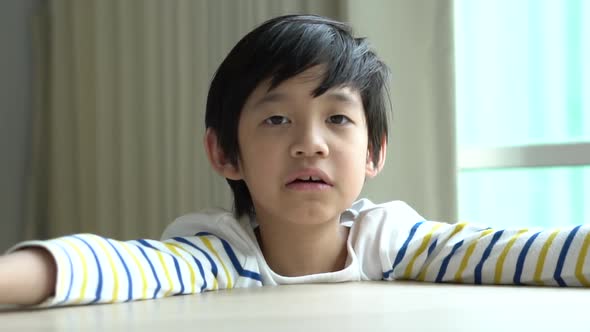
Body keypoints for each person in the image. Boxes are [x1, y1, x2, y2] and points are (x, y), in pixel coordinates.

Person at [1, 14, 589, 308]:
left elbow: (519, 252)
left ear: (374, 152)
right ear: (225, 153)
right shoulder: (216, 254)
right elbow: (114, 265)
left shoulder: (395, 242)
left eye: (337, 119)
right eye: (276, 120)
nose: (311, 144)